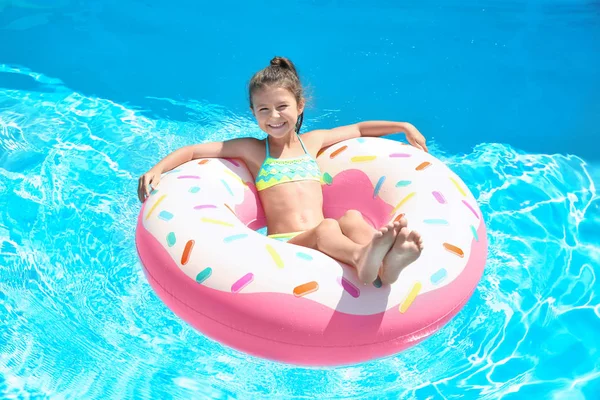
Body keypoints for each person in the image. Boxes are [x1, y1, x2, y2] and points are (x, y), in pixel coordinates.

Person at [138, 57, 427, 285]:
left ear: (300, 107)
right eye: (263, 110)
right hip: (285, 245)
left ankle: (387, 266)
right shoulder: (253, 149)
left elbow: (361, 129)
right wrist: (158, 169)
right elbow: (193, 151)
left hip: (324, 236)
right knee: (327, 227)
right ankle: (363, 257)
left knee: (351, 218)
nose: (274, 116)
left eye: (282, 106)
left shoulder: (312, 142)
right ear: (253, 113)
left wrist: (403, 127)